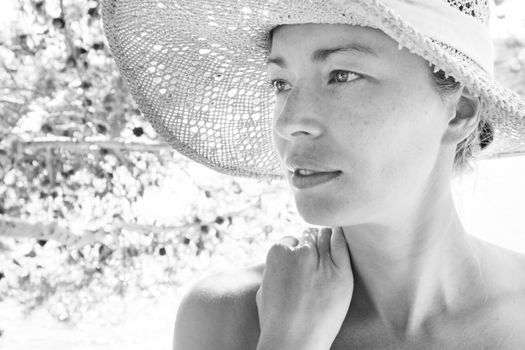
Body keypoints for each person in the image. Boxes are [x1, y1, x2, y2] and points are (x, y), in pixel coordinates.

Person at [102, 0, 525, 349]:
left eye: (342, 75)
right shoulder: (225, 319)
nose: (289, 122)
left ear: (461, 111)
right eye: (280, 83)